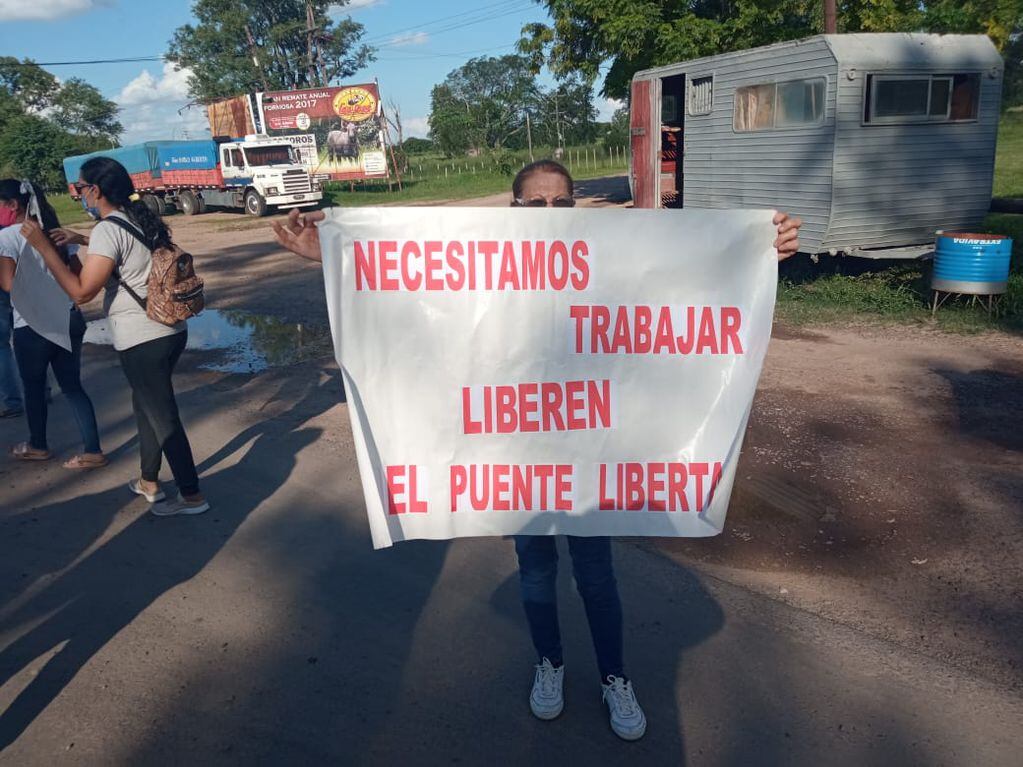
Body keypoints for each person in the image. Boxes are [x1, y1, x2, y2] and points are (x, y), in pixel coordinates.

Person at [271, 160, 802, 741]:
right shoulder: (488, 269)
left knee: (597, 573)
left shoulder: (606, 257)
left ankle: (614, 677)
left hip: (591, 453)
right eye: (535, 205)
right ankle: (550, 664)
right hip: (521, 456)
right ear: (514, 210)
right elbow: (407, 290)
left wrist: (753, 254)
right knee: (536, 570)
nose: (549, 215)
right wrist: (330, 258)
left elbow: (678, 276)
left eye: (560, 204)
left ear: (573, 208)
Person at [21, 158, 209, 515]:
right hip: (171, 330)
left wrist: (45, 249)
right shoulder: (137, 218)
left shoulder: (109, 229)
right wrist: (80, 239)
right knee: (148, 407)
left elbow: (81, 292)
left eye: (79, 188)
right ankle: (148, 481)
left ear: (96, 190)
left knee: (163, 416)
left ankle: (192, 494)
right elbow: (128, 253)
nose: (78, 195)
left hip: (142, 338)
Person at [0, 179, 105, 467]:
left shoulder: (7, 237)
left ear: (12, 205)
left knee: (33, 388)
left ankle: (38, 445)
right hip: (68, 317)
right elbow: (78, 275)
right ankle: (93, 450)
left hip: (32, 325)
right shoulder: (56, 232)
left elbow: (9, 285)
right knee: (73, 387)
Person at [0, 200, 24, 419]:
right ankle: (41, 390)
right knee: (26, 333)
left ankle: (12, 400)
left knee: (2, 346)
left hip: (5, 279)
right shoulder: (7, 215)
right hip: (16, 274)